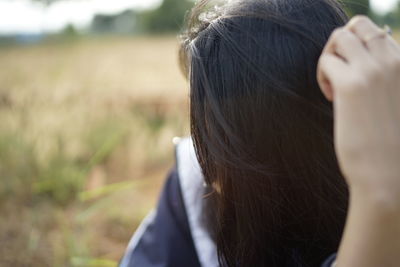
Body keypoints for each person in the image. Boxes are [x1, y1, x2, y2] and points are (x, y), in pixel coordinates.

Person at [120, 0, 400, 266]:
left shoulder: (385, 178)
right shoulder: (193, 190)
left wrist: (379, 196)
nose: (211, 170)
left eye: (224, 138)